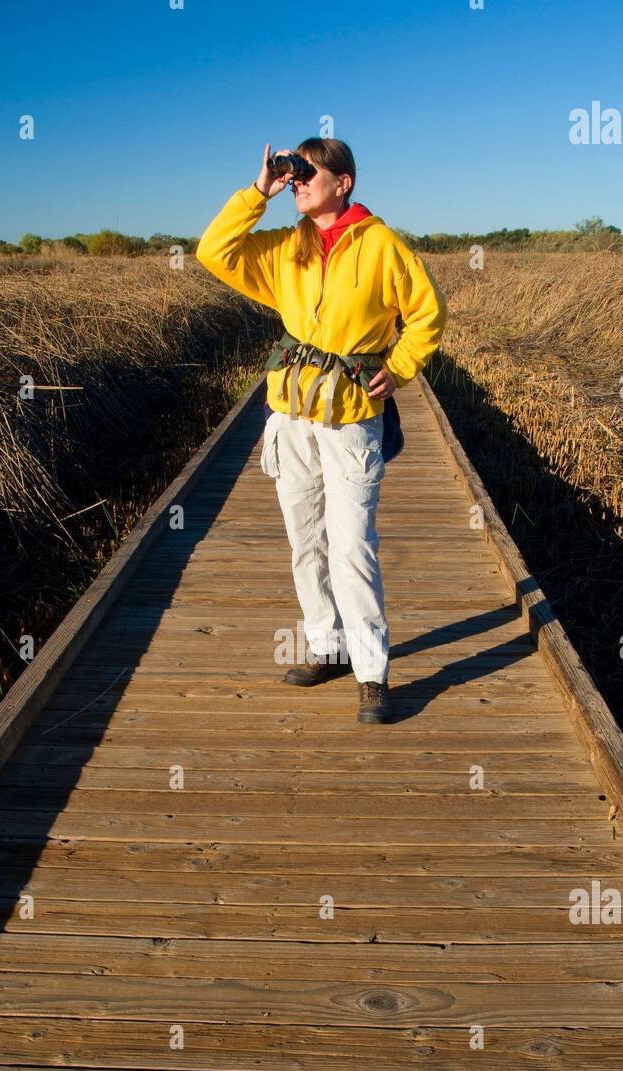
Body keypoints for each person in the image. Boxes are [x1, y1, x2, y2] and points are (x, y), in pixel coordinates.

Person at [195, 138, 447, 723]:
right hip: (290, 412)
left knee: (352, 543)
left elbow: (428, 312)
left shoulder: (381, 245)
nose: (298, 180)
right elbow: (214, 250)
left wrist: (401, 367)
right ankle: (327, 647)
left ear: (345, 181)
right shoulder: (287, 248)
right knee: (305, 539)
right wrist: (259, 191)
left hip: (352, 415)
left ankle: (371, 674)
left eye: (309, 171)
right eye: (293, 172)